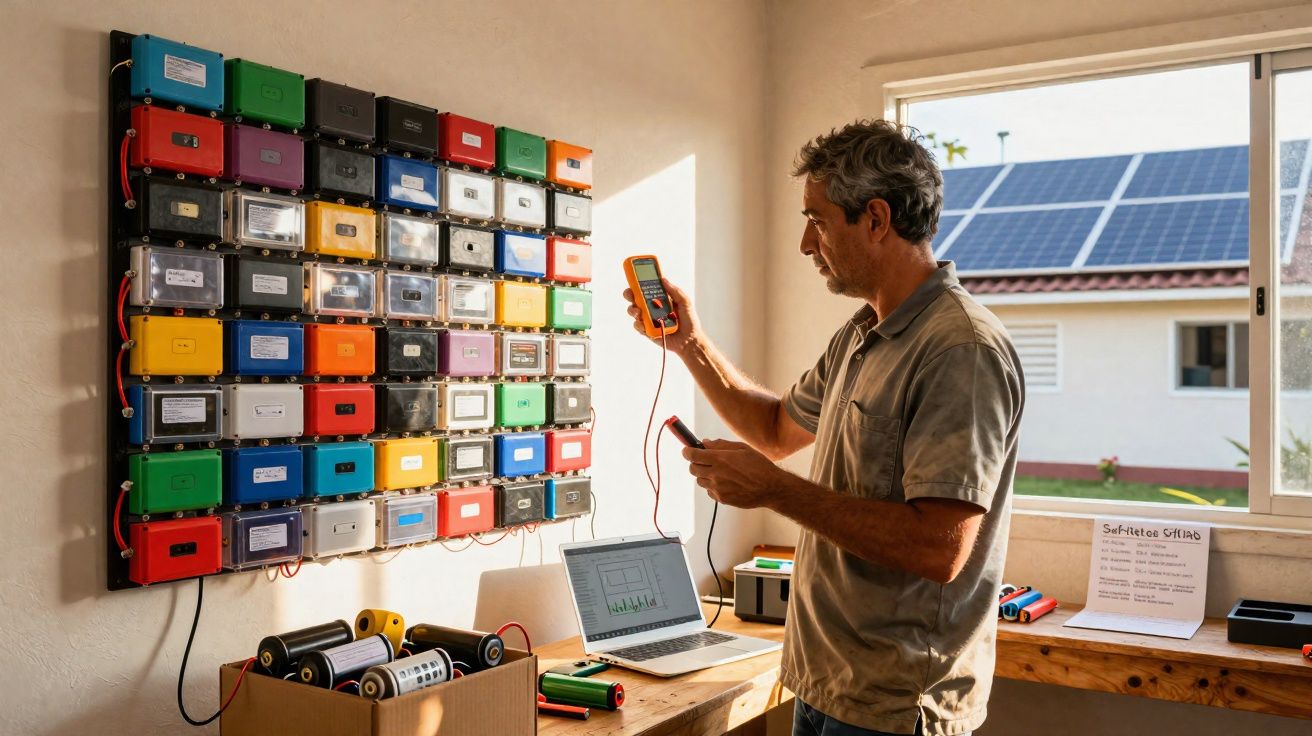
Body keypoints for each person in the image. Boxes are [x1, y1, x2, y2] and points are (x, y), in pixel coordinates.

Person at [623, 119, 1024, 736]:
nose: (807, 245)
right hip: (825, 682)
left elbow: (938, 548)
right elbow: (776, 428)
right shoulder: (863, 334)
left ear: (876, 219)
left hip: (893, 707)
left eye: (817, 219)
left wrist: (773, 491)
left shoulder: (959, 350)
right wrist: (690, 342)